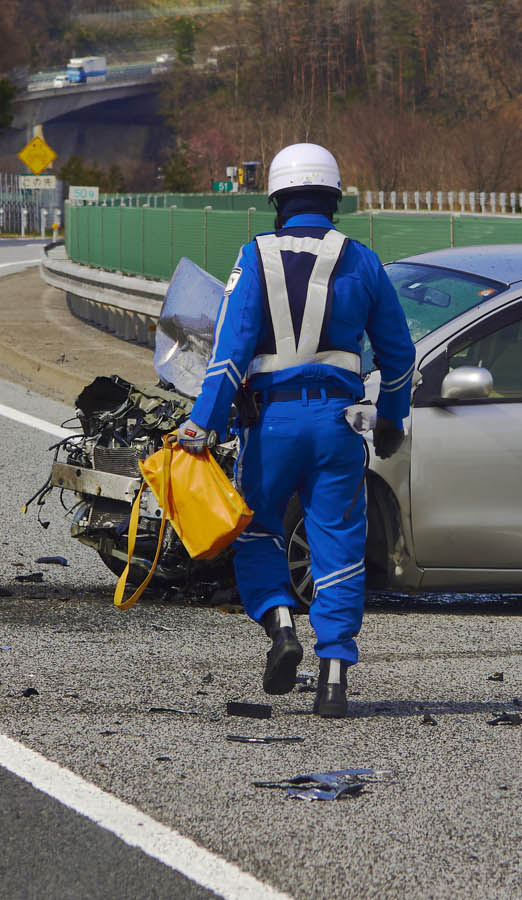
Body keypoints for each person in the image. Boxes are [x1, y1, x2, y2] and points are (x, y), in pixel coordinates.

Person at [174, 142, 415, 719]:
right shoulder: (362, 260)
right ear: (335, 200)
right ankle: (334, 678)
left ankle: (282, 626)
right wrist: (392, 417)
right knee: (337, 544)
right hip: (337, 425)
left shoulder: (253, 258)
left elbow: (229, 354)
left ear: (277, 200)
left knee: (258, 533)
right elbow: (399, 355)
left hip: (271, 425)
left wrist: (201, 425)